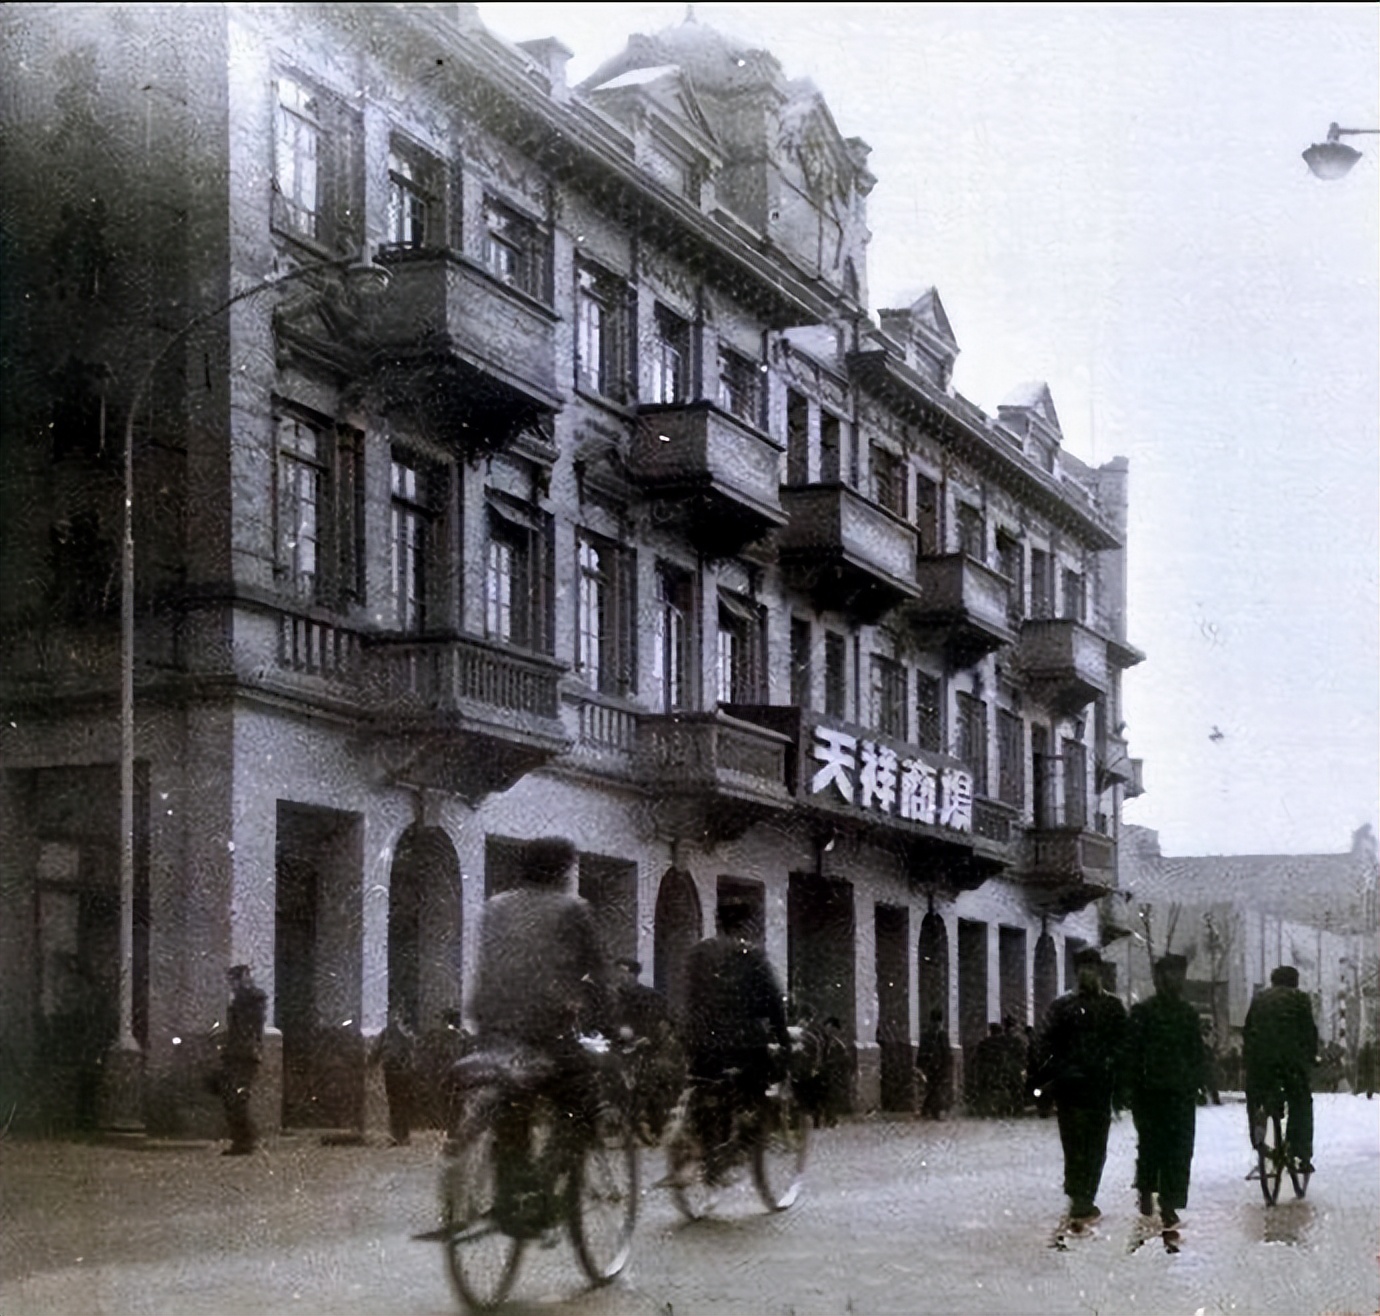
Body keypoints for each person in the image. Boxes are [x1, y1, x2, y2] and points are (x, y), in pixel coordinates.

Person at [468, 837, 612, 1228]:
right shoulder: (572, 909)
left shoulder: (495, 906)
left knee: (511, 1106)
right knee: (581, 1102)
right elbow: (599, 974)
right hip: (545, 1030)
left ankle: (510, 1192)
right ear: (563, 872)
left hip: (492, 1029)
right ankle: (543, 1187)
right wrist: (612, 1024)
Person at [678, 900, 791, 1182]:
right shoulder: (751, 955)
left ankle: (704, 1151)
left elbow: (687, 995)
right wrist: (783, 1038)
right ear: (746, 925)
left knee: (703, 1087)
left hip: (700, 1041)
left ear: (718, 921)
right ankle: (743, 1142)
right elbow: (773, 1000)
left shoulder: (698, 952)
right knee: (758, 1088)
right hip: (742, 1044)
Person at [1032, 946, 1128, 1226]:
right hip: (1071, 1088)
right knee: (1074, 1143)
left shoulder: (1112, 1007)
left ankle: (1085, 1193)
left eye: (1093, 968)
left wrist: (1113, 1067)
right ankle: (1078, 1195)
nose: (1089, 973)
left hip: (1099, 1088)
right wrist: (1058, 1071)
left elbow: (1125, 1044)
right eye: (1084, 968)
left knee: (1095, 1145)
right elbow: (1044, 1043)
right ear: (1077, 972)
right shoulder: (1062, 1007)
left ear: (1100, 972)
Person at [1123, 954, 1207, 1230]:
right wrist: (1130, 1086)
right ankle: (1147, 1189)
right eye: (1170, 974)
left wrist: (1199, 1083)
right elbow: (1132, 1052)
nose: (1175, 979)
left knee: (1179, 1149)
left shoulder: (1188, 1014)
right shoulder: (1143, 1012)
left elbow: (1197, 1052)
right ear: (1159, 978)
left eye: (1179, 974)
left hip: (1179, 1092)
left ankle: (1169, 1202)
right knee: (1151, 1145)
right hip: (1149, 1092)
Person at [1243, 964, 1318, 1175]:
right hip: (1290, 1061)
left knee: (1257, 1098)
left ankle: (1259, 1137)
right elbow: (1309, 1031)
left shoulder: (1259, 999)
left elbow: (1248, 1030)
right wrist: (1311, 1056)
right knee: (1301, 1101)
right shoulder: (1300, 999)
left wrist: (1249, 1059)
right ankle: (1300, 1152)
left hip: (1260, 1062)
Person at [612, 957, 681, 1142]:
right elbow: (603, 1023)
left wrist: (648, 1038)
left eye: (625, 973)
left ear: (634, 975)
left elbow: (665, 1022)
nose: (620, 977)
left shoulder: (651, 998)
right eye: (617, 973)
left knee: (649, 1081)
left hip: (646, 1049)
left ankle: (649, 1123)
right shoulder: (609, 999)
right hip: (615, 1050)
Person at [220, 964, 267, 1156]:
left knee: (236, 1097)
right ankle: (244, 1139)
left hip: (243, 1053)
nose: (231, 985)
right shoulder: (248, 1001)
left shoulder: (247, 1001)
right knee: (236, 1097)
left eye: (233, 980)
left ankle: (244, 1140)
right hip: (242, 1052)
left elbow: (244, 1029)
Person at [370, 1008, 417, 1145]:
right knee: (400, 1104)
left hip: (396, 1071)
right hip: (399, 1072)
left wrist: (373, 1063)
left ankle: (399, 1135)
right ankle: (401, 1135)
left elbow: (377, 1050)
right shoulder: (404, 1033)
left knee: (397, 1104)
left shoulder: (390, 1033)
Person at [916, 1008, 954, 1120]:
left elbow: (922, 1050)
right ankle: (933, 1111)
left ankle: (929, 1110)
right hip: (937, 1066)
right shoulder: (941, 1035)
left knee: (933, 1088)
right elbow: (946, 1051)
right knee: (935, 1088)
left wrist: (920, 1065)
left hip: (933, 1066)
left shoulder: (927, 1035)